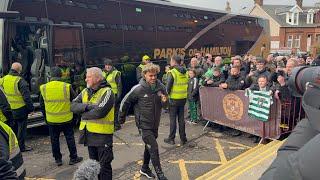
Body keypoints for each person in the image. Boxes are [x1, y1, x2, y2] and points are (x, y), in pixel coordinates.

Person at [119, 63, 168, 180]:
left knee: (149, 146)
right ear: (144, 75)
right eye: (150, 75)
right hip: (143, 124)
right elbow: (125, 102)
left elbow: (165, 105)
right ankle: (160, 174)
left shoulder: (161, 87)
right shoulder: (138, 89)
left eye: (155, 75)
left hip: (155, 123)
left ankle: (145, 168)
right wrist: (121, 118)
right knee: (154, 147)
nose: (153, 78)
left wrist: (165, 101)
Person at [71, 67, 114, 180]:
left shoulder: (107, 92)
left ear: (98, 78)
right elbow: (73, 106)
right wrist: (88, 107)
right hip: (89, 135)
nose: (86, 79)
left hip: (103, 136)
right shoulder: (85, 91)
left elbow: (100, 112)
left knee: (104, 167)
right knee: (94, 167)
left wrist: (83, 114)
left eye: (89, 76)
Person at [39, 67, 83, 166]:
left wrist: (46, 117)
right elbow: (76, 101)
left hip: (51, 120)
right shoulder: (66, 86)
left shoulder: (43, 87)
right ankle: (73, 158)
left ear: (50, 75)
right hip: (66, 119)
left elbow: (42, 105)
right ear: (61, 75)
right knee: (70, 138)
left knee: (54, 139)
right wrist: (76, 116)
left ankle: (58, 159)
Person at [1, 62, 34, 152]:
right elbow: (26, 97)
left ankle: (13, 146)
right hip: (20, 109)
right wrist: (31, 109)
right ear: (19, 70)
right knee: (21, 129)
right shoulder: (20, 81)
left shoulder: (3, 79)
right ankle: (21, 146)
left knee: (13, 128)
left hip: (8, 109)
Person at [164, 55, 188, 145]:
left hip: (173, 99)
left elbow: (168, 87)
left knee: (173, 119)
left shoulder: (172, 72)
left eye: (170, 60)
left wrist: (166, 97)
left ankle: (171, 138)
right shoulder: (185, 72)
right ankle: (183, 138)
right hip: (183, 98)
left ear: (173, 61)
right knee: (181, 119)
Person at [102, 58, 122, 131]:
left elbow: (119, 85)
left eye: (109, 65)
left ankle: (116, 125)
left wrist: (119, 96)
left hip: (114, 94)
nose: (107, 67)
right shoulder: (103, 73)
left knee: (115, 111)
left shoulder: (116, 73)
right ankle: (111, 124)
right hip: (105, 94)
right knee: (108, 111)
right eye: (106, 65)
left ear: (112, 66)